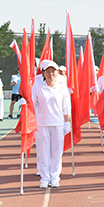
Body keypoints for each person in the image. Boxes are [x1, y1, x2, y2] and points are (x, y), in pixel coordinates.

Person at [30, 60, 71, 188]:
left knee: (56, 152)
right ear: (43, 73)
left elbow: (66, 107)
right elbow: (32, 104)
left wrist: (67, 123)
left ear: (57, 73)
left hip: (58, 123)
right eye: (48, 71)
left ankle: (55, 177)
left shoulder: (62, 87)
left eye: (53, 71)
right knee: (43, 152)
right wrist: (24, 105)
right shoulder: (37, 86)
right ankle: (44, 178)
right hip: (41, 123)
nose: (51, 74)